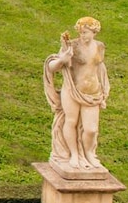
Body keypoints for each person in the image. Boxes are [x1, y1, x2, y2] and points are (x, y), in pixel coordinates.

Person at [43, 17, 109, 172]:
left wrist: (104, 92)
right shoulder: (71, 46)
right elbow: (53, 67)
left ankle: (88, 154)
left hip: (92, 92)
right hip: (72, 90)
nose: (82, 36)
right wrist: (63, 59)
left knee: (91, 129)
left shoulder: (99, 47)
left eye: (86, 32)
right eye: (80, 32)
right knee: (71, 121)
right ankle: (73, 154)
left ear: (94, 32)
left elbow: (100, 68)